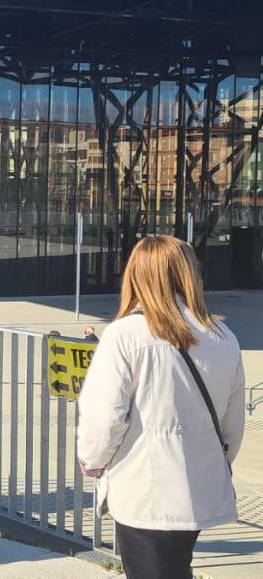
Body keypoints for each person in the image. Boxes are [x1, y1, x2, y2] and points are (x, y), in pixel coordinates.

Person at [77, 236, 244, 579]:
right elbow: (233, 423)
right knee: (175, 566)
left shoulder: (126, 335)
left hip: (143, 485)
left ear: (137, 276)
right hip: (198, 483)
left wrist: (92, 461)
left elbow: (104, 417)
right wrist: (216, 461)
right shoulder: (223, 336)